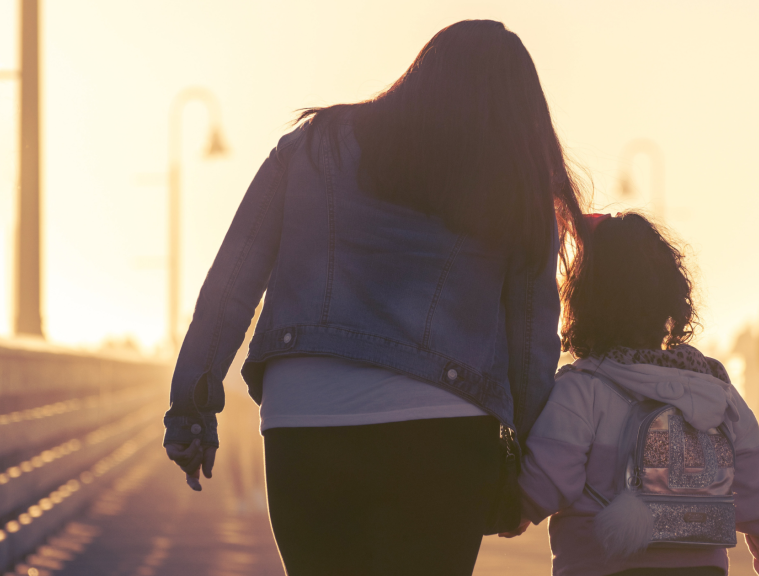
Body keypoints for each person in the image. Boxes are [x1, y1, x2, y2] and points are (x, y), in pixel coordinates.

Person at [162, 20, 586, 575]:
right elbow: (532, 340)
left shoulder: (312, 146)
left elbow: (232, 280)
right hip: (442, 437)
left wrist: (191, 408)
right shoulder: (513, 183)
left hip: (304, 422)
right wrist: (523, 465)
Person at [505, 213, 759, 576]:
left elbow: (542, 487)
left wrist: (506, 512)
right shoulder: (719, 394)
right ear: (670, 299)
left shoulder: (581, 390)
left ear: (582, 300)